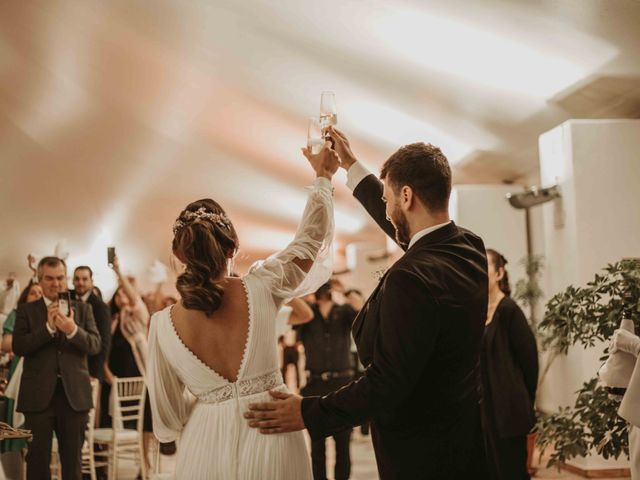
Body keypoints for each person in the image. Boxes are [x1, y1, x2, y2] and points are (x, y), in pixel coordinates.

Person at [246, 127, 489, 479]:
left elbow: (387, 382)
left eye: (389, 199)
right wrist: (350, 165)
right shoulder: (469, 248)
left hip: (419, 454)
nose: (387, 210)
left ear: (406, 196)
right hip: (463, 436)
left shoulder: (410, 278)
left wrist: (309, 412)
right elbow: (413, 235)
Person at [146, 142, 338, 479]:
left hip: (203, 445)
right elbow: (310, 240)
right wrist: (322, 176)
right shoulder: (263, 286)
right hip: (271, 430)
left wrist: (214, 403)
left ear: (178, 254)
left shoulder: (161, 325)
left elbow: (168, 421)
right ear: (233, 247)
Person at [13, 256, 101, 480]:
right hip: (38, 399)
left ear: (66, 278)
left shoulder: (83, 309)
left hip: (74, 398)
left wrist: (72, 330)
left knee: (72, 465)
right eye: (50, 278)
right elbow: (19, 346)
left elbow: (95, 345)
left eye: (60, 278)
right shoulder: (26, 310)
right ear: (39, 280)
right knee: (37, 463)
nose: (56, 283)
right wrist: (48, 329)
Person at [481, 249, 538, 480]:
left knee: (511, 472)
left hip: (508, 412)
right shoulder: (475, 313)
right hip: (484, 411)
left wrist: (523, 403)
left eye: (484, 267)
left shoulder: (509, 310)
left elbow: (530, 363)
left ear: (499, 273)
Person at [295, 281, 357, 480]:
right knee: (317, 444)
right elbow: (292, 336)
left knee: (343, 442)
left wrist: (344, 289)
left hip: (342, 382)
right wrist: (304, 294)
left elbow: (361, 312)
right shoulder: (307, 313)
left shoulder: (344, 310)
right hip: (315, 383)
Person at [103, 256, 154, 471]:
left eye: (125, 292)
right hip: (117, 381)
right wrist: (109, 377)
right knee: (115, 422)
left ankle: (144, 463)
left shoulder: (138, 315)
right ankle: (108, 466)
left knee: (144, 421)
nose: (122, 296)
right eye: (119, 293)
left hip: (140, 377)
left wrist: (118, 272)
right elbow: (105, 352)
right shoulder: (111, 321)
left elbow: (134, 298)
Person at [71, 266, 111, 385]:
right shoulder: (66, 299)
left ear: (91, 282)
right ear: (73, 281)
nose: (80, 283)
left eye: (84, 279)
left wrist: (95, 373)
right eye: (77, 279)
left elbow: (104, 342)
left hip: (90, 368)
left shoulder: (101, 307)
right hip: (69, 367)